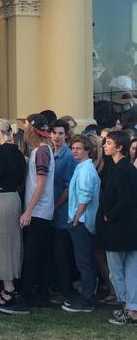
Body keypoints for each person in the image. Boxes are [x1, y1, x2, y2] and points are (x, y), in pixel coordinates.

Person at [0, 114, 55, 315]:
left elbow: (41, 183)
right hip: (40, 210)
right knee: (38, 256)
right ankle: (40, 294)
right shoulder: (41, 150)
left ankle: (24, 299)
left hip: (38, 211)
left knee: (31, 257)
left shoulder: (41, 151)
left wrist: (28, 211)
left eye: (26, 125)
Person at [0, 118, 26, 310]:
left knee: (1, 243)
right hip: (12, 198)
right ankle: (8, 286)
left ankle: (8, 288)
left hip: (0, 199)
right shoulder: (18, 152)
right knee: (10, 242)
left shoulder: (0, 152)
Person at [96, 130, 137, 325]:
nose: (105, 145)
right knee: (130, 271)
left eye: (109, 143)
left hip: (118, 230)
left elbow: (125, 200)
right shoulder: (126, 168)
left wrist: (107, 215)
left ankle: (127, 308)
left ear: (119, 147)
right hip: (129, 229)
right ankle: (132, 310)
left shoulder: (121, 170)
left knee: (117, 272)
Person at [61, 134, 101, 313]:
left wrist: (76, 218)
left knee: (84, 262)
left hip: (82, 221)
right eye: (73, 148)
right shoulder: (83, 167)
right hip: (82, 220)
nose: (74, 151)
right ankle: (87, 297)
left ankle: (86, 301)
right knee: (86, 262)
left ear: (87, 151)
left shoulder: (85, 169)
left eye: (78, 148)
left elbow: (85, 195)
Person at [49, 119, 78, 303]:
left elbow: (69, 188)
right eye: (54, 133)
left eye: (61, 133)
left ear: (66, 135)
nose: (57, 136)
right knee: (53, 252)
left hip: (61, 212)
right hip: (50, 212)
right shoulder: (50, 152)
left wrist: (55, 205)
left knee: (61, 253)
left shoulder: (69, 156)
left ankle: (65, 290)